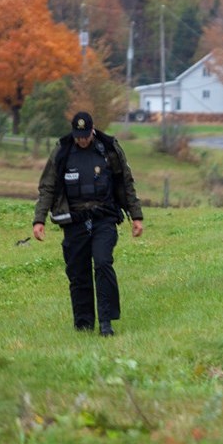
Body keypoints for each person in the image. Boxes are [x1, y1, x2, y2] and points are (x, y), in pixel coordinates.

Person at [33, 112, 145, 336]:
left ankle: (106, 322)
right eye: (78, 136)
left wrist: (136, 215)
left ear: (92, 130)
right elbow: (48, 187)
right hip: (74, 221)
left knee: (103, 263)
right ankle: (84, 325)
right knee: (78, 272)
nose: (82, 140)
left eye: (85, 136)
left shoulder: (108, 149)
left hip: (104, 217)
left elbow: (125, 183)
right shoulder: (63, 151)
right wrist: (39, 219)